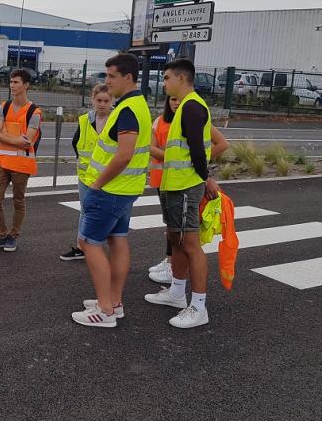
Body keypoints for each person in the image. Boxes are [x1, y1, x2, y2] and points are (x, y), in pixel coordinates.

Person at [71, 54, 151, 328]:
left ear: (127, 78)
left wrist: (97, 183)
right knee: (118, 240)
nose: (107, 82)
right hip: (125, 189)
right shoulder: (138, 105)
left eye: (111, 76)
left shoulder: (127, 109)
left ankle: (105, 310)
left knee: (89, 244)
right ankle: (113, 303)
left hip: (110, 189)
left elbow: (124, 155)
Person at [144, 58, 220, 329]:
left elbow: (199, 151)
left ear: (180, 78)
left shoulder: (191, 107)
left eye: (166, 78)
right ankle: (177, 292)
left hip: (186, 185)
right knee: (175, 239)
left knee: (190, 244)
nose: (163, 83)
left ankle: (199, 307)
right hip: (174, 184)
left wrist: (207, 178)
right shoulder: (185, 108)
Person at [148, 95, 229, 282]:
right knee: (172, 228)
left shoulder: (192, 117)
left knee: (184, 234)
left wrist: (196, 162)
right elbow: (149, 147)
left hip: (185, 181)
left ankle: (174, 270)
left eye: (179, 99)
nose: (175, 102)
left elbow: (221, 144)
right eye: (172, 99)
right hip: (164, 179)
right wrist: (173, 157)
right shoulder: (160, 121)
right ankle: (170, 262)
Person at [0, 68, 41, 253]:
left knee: (18, 200)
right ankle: (0, 235)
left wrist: (4, 136)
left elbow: (27, 142)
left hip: (22, 164)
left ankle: (12, 236)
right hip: (3, 162)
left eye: (16, 82)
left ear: (26, 85)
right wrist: (14, 140)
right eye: (11, 82)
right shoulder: (3, 107)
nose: (12, 85)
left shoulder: (34, 112)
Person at [60, 84, 113, 261]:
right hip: (86, 175)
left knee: (108, 213)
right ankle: (82, 247)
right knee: (85, 211)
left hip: (110, 177)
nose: (102, 104)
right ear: (92, 100)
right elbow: (76, 142)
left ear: (112, 101)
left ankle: (105, 247)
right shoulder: (85, 120)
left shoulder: (117, 119)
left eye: (106, 100)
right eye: (99, 100)